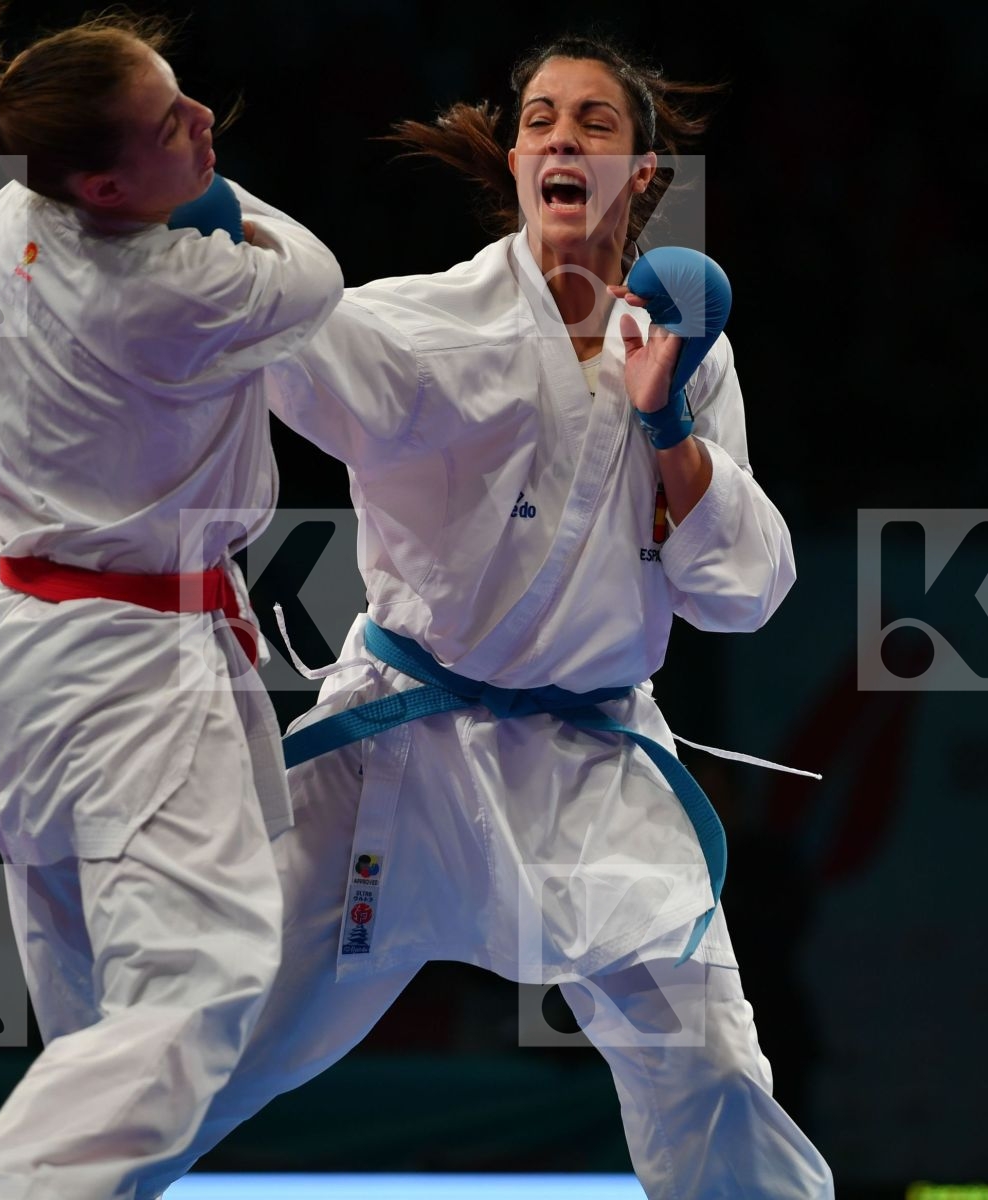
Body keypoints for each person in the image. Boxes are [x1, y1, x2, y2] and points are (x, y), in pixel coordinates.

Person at [140, 33, 834, 1199]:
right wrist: (208, 206)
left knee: (713, 1068)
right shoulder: (429, 325)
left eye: (596, 122)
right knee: (210, 1043)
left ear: (644, 173)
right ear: (516, 160)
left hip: (594, 769)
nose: (564, 138)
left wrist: (669, 426)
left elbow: (746, 591)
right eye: (542, 120)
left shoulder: (684, 356)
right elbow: (298, 328)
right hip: (402, 751)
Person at [0, 2, 344, 1196]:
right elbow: (317, 278)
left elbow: (172, 193)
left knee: (98, 1033)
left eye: (182, 90)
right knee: (200, 984)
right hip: (132, 670)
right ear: (103, 187)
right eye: (169, 122)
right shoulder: (167, 292)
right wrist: (218, 202)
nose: (203, 117)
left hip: (31, 654)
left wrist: (180, 178)